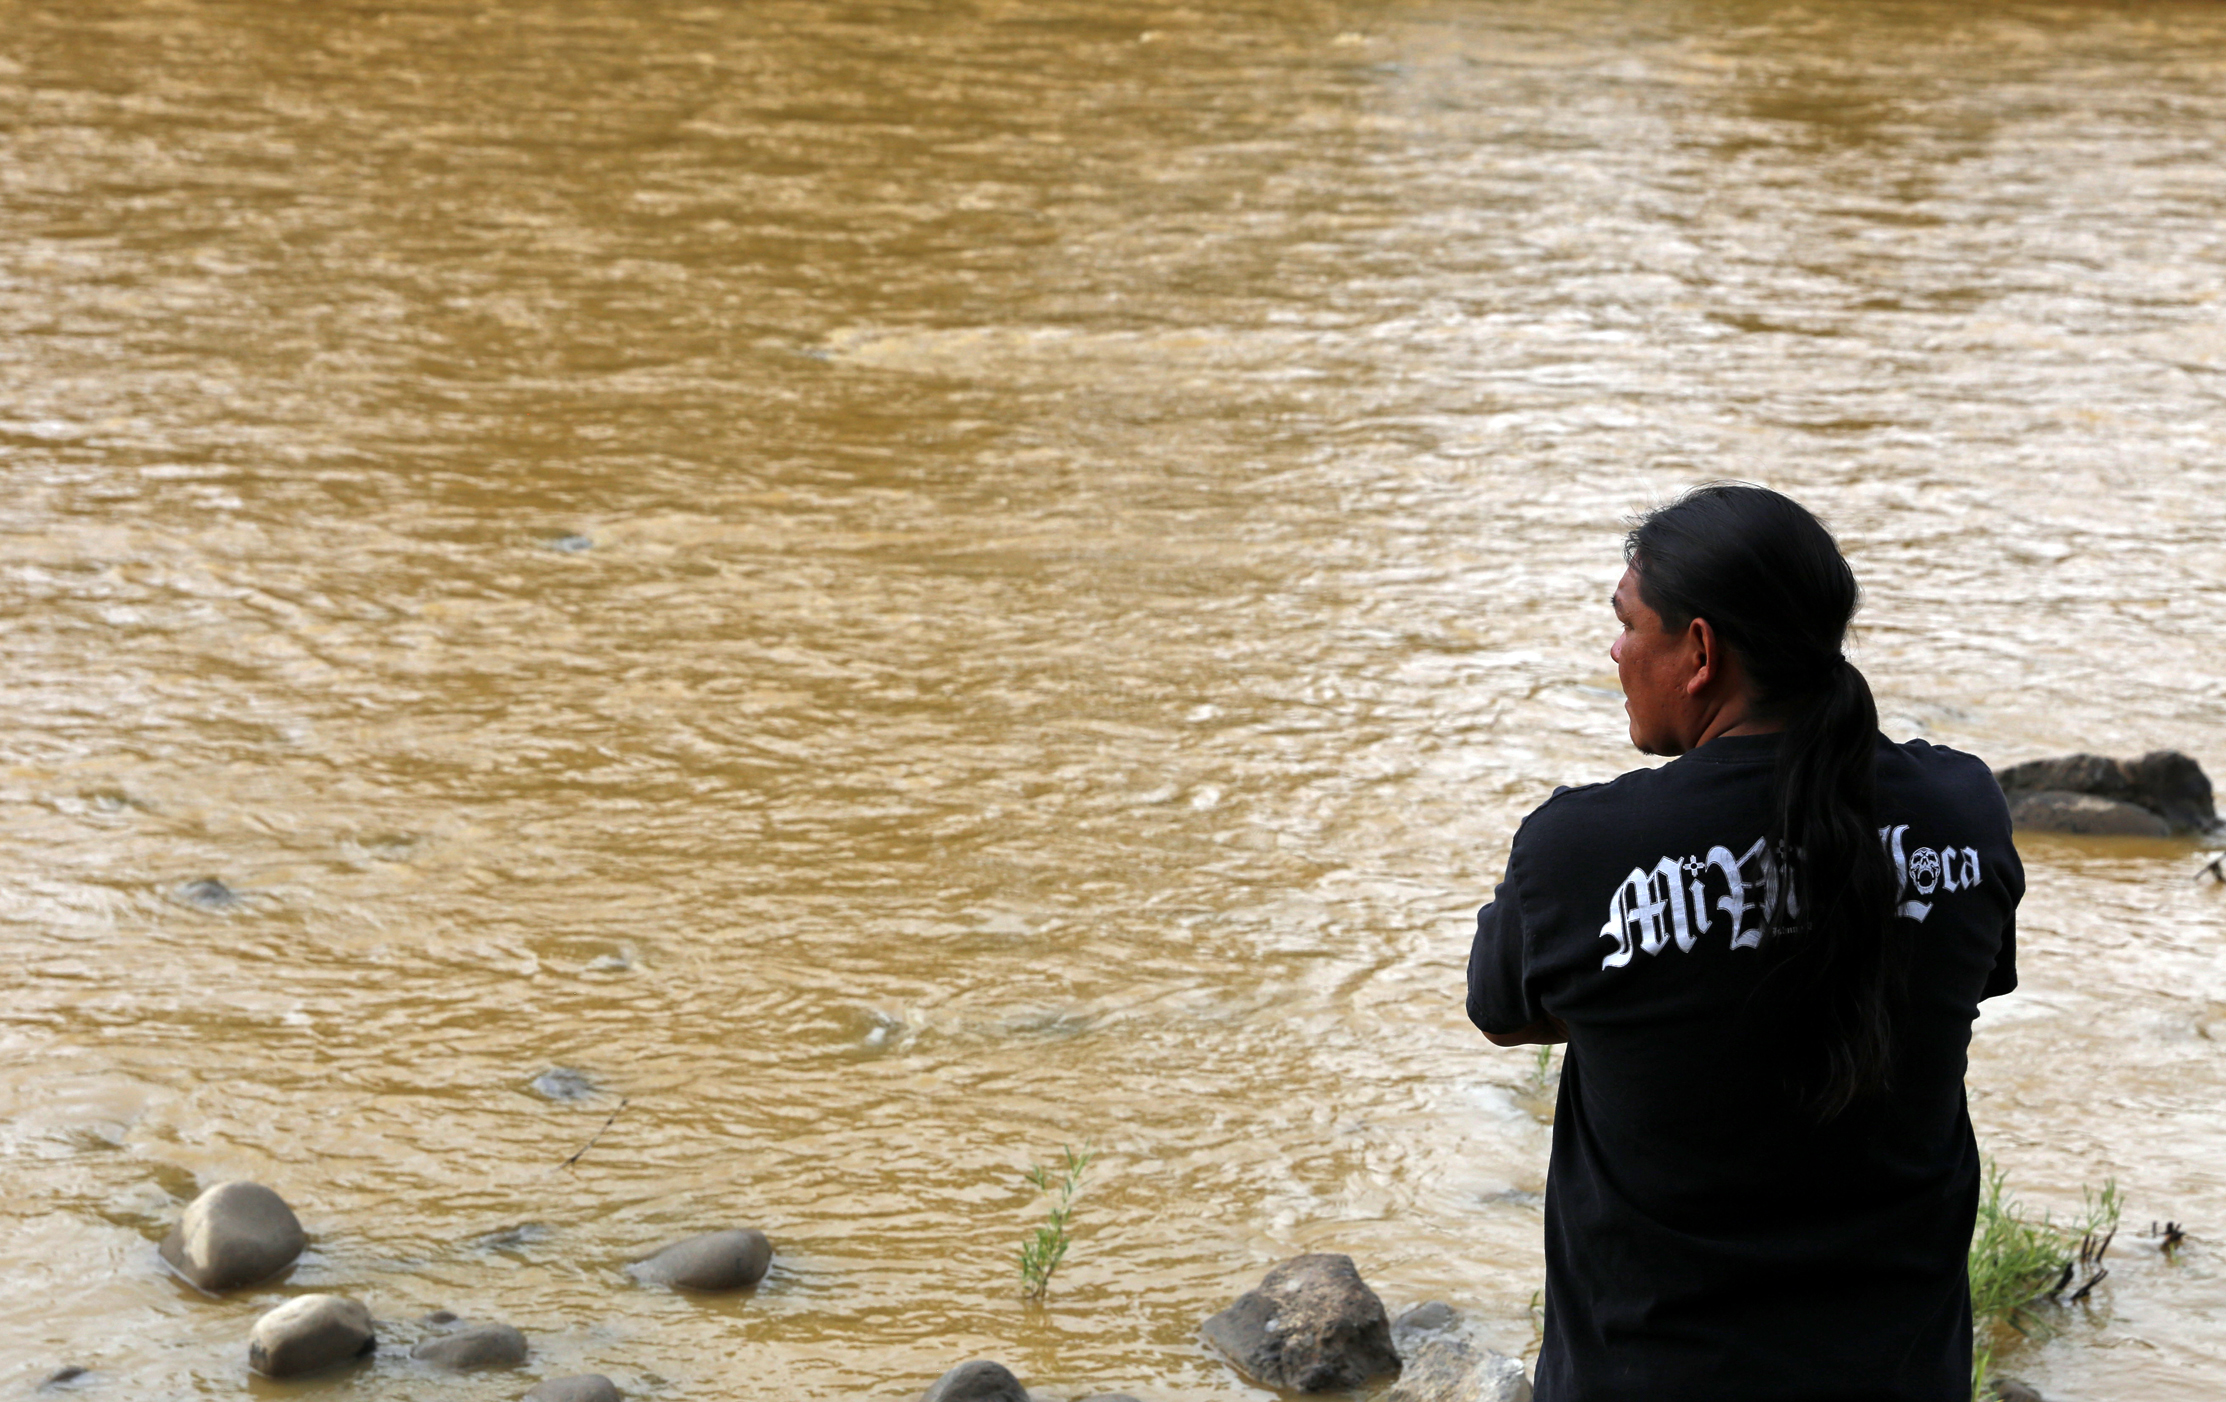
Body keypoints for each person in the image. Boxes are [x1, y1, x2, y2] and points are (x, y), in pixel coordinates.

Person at [1466, 483, 2021, 1401]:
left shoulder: (1584, 849)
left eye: (1627, 623)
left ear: (1699, 651)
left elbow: (1508, 1013)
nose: (1613, 649)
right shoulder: (1961, 811)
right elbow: (1964, 972)